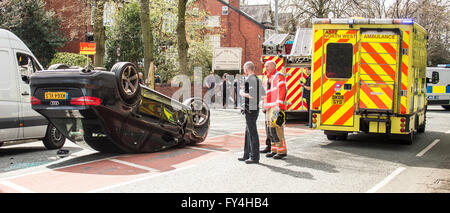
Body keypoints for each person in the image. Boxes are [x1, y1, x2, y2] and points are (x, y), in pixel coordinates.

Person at [238, 61, 265, 164]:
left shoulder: (250, 80)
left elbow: (252, 95)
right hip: (254, 108)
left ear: (246, 69)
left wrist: (242, 93)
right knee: (248, 132)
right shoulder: (258, 80)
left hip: (250, 109)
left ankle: (254, 157)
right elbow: (263, 95)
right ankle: (247, 154)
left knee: (252, 132)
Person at [263, 60, 287, 159]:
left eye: (267, 66)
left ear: (273, 66)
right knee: (270, 129)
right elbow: (266, 94)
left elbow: (282, 90)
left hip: (275, 107)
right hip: (269, 107)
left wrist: (279, 106)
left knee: (277, 128)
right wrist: (264, 106)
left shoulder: (278, 76)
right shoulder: (267, 78)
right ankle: (274, 149)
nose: (266, 68)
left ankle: (281, 151)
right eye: (265, 66)